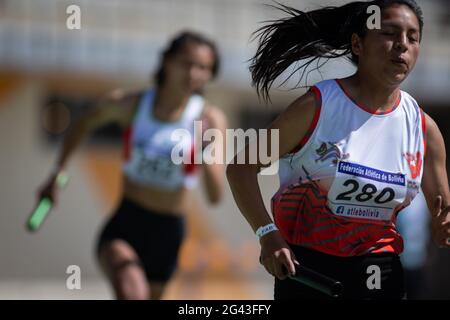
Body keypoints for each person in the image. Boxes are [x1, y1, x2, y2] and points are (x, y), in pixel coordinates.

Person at [227, 0, 450, 299]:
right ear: (358, 44)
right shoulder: (317, 106)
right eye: (389, 33)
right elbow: (241, 168)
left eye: (413, 37)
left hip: (380, 269)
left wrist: (443, 225)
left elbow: (443, 214)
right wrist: (267, 234)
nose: (402, 45)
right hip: (307, 269)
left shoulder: (424, 129)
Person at [38, 31, 227, 299]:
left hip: (169, 233)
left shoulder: (210, 118)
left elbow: (215, 196)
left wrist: (205, 151)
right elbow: (82, 123)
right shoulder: (131, 104)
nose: (193, 74)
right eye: (186, 63)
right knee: (132, 289)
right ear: (167, 62)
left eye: (204, 68)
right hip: (127, 224)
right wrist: (58, 173)